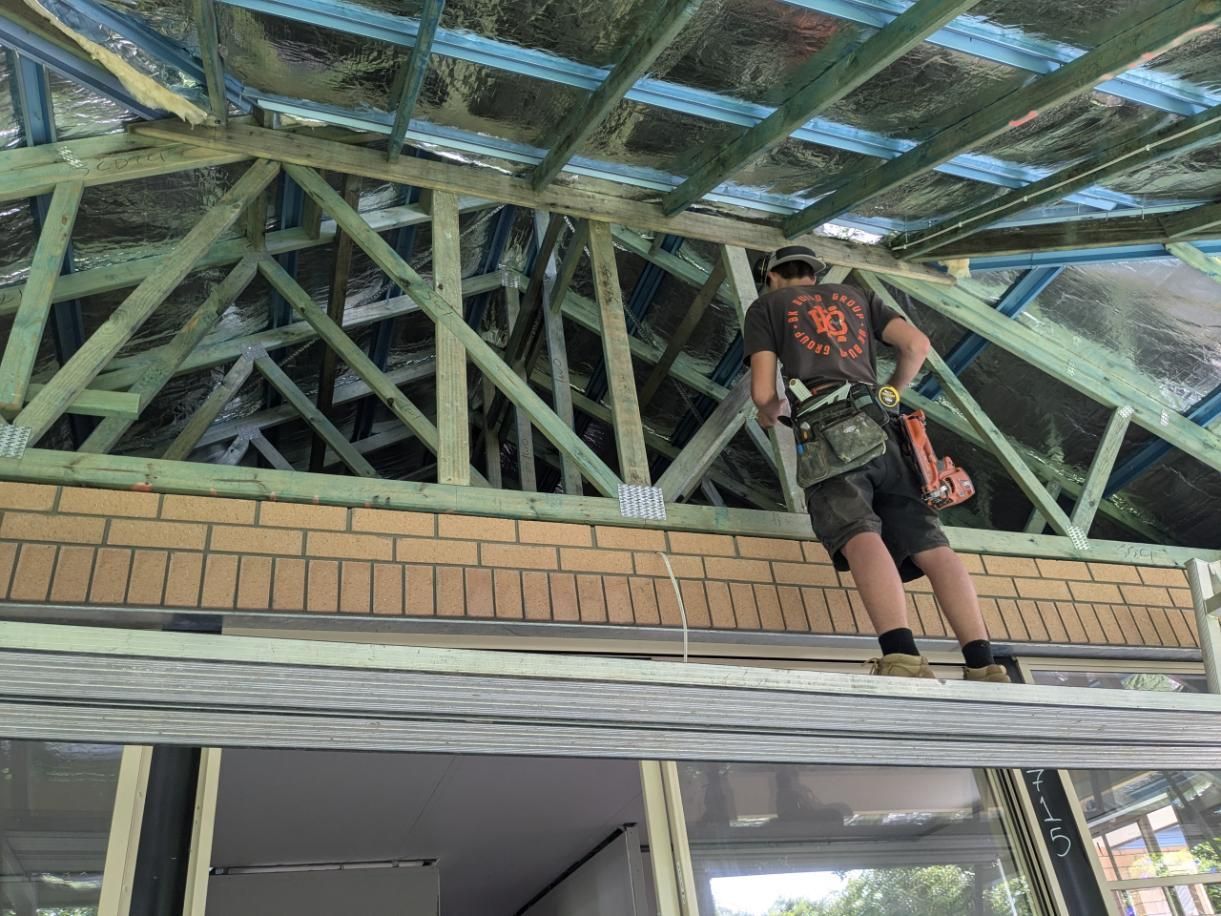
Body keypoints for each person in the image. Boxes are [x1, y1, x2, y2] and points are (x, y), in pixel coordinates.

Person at [743, 245, 1008, 682]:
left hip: (829, 429)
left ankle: (901, 657)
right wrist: (892, 391)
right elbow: (916, 344)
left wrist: (770, 411)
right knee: (930, 543)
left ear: (770, 276)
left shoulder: (767, 306)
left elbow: (762, 392)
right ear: (816, 274)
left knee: (858, 530)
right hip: (887, 427)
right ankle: (983, 663)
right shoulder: (858, 297)